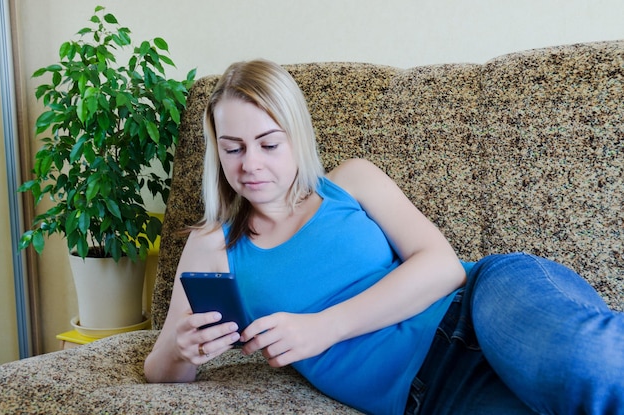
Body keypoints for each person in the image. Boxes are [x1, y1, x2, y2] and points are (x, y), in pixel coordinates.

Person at [144, 59, 624, 415]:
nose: (250, 164)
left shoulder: (351, 181)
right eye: (233, 149)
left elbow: (443, 266)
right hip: (431, 393)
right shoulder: (213, 244)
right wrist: (181, 351)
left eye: (269, 144)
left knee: (590, 364)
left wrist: (324, 327)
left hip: (480, 304)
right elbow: (162, 368)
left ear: (297, 137)